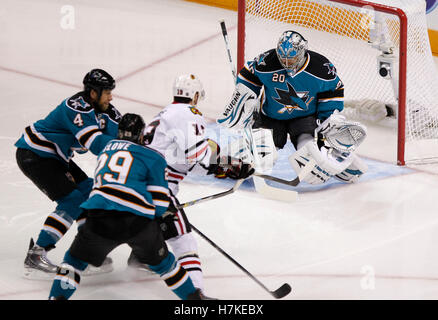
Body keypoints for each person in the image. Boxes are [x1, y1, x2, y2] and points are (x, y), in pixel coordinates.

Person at [48, 113, 207, 300]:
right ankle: (195, 300)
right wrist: (162, 213)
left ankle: (55, 298)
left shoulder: (106, 149)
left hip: (99, 218)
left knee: (73, 263)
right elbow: (159, 200)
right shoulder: (153, 156)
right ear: (141, 135)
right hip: (137, 223)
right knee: (166, 265)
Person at [127, 74, 254, 296]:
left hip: (134, 183)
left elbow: (185, 162)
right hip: (157, 187)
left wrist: (225, 167)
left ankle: (141, 257)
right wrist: (231, 165)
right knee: (183, 240)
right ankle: (196, 295)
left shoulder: (164, 114)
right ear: (195, 96)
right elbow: (198, 159)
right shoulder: (189, 114)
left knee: (153, 222)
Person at [217, 30, 368, 185]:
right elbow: (249, 74)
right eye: (283, 58)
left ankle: (333, 166)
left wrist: (326, 118)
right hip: (271, 116)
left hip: (304, 116)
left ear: (303, 52)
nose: (287, 63)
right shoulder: (267, 62)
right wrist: (247, 98)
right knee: (265, 152)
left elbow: (333, 88)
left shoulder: (321, 68)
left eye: (292, 58)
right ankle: (239, 162)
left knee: (308, 147)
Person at [15, 68, 121, 278]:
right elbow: (98, 145)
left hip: (57, 157)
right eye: (106, 91)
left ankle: (86, 252)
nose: (111, 96)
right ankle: (37, 254)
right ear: (93, 93)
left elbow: (115, 143)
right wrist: (127, 145)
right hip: (34, 154)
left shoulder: (110, 112)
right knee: (71, 200)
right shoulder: (75, 107)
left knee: (90, 191)